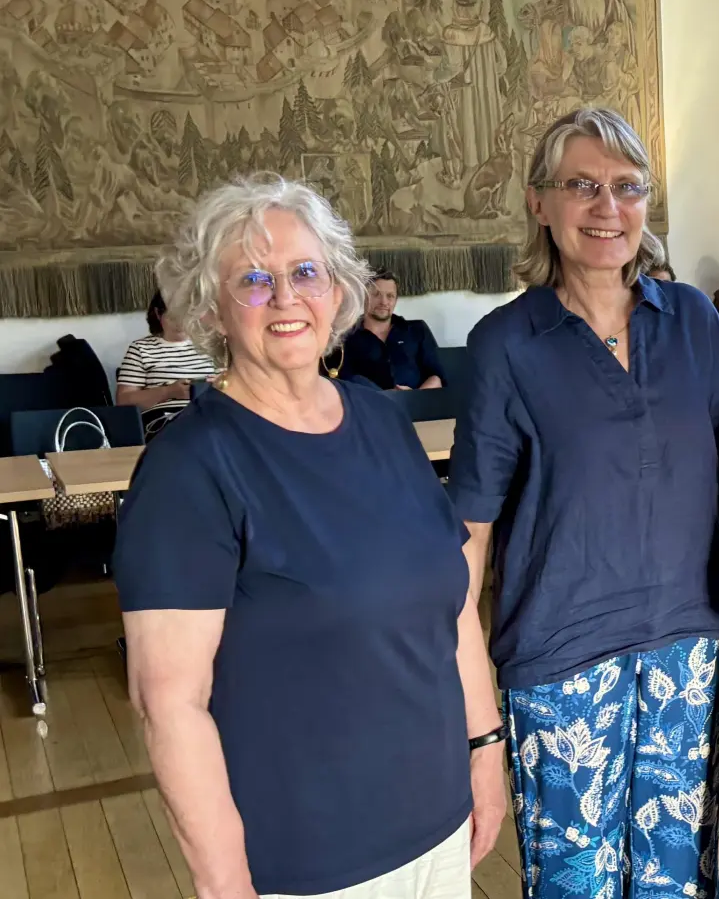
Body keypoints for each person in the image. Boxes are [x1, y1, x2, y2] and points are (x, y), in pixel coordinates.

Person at [114, 174, 504, 899]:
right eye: (254, 280)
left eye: (304, 273)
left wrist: (485, 750)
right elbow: (169, 704)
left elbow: (452, 607)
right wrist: (224, 880)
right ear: (213, 308)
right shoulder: (188, 468)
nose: (286, 298)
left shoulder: (383, 422)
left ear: (337, 290)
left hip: (439, 828)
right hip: (308, 864)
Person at [449, 107, 719, 898]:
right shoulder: (506, 343)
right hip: (560, 659)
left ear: (647, 204)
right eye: (580, 186)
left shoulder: (689, 320)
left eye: (625, 187)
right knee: (575, 886)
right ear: (538, 202)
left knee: (677, 882)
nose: (606, 208)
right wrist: (469, 696)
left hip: (685, 641)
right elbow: (470, 531)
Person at [116, 290, 217, 438]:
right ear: (158, 314)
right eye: (173, 316)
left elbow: (233, 387)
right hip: (163, 423)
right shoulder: (140, 349)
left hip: (210, 418)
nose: (180, 323)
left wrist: (215, 386)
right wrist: (169, 392)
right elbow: (123, 402)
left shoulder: (211, 346)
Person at [341, 268, 447, 390]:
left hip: (415, 406)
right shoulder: (346, 336)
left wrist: (412, 397)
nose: (384, 302)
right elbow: (343, 384)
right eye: (376, 294)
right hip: (368, 407)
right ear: (363, 297)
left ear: (396, 300)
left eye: (390, 296)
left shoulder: (417, 330)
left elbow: (437, 376)